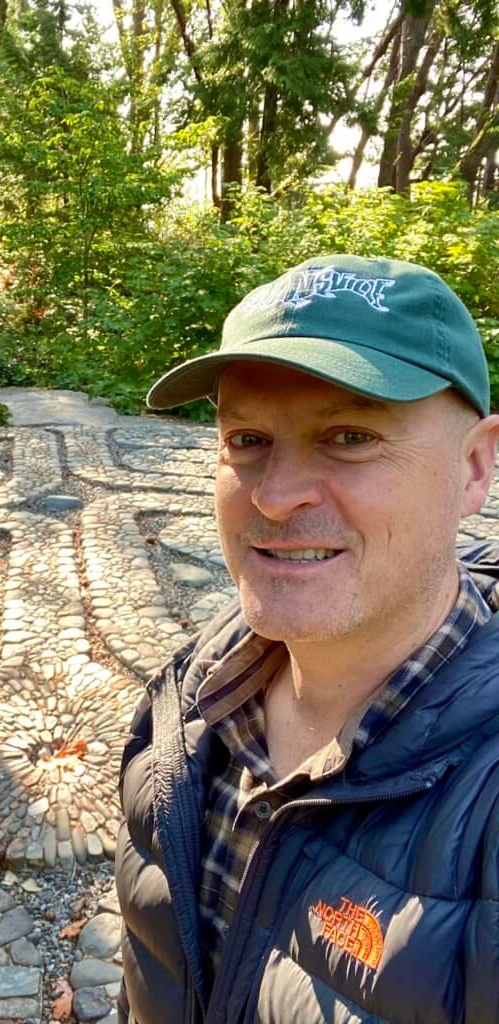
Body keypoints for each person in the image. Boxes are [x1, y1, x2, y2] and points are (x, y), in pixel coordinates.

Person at [114, 254, 499, 1024]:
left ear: (475, 468)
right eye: (248, 439)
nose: (277, 495)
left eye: (350, 435)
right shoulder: (183, 710)